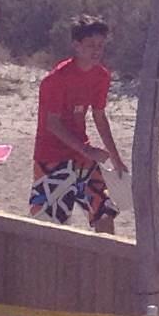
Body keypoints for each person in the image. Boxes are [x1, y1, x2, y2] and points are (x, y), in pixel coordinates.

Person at [29, 16, 128, 234]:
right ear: (76, 45)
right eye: (90, 45)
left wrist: (116, 158)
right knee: (51, 225)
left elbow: (100, 117)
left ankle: (105, 265)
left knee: (104, 212)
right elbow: (52, 124)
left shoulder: (101, 76)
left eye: (100, 46)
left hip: (83, 159)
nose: (96, 51)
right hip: (51, 158)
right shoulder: (56, 79)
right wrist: (87, 149)